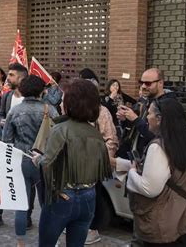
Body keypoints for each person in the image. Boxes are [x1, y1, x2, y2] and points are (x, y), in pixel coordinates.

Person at [32, 79, 112, 247]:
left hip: (63, 197)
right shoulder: (95, 134)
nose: (61, 101)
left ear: (71, 102)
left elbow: (47, 164)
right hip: (89, 198)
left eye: (64, 98)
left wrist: (38, 159)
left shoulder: (60, 129)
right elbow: (101, 170)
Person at [124, 98, 186, 246]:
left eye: (149, 113)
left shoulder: (158, 147)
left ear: (159, 119)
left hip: (165, 224)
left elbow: (149, 188)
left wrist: (132, 172)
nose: (146, 118)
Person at [2, 75, 59, 247]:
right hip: (44, 160)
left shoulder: (15, 111)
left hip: (22, 159)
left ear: (22, 90)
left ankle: (20, 241)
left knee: (21, 203)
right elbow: (58, 137)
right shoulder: (51, 110)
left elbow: (7, 140)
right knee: (46, 204)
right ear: (42, 90)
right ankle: (50, 240)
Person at [78, 68, 118, 245]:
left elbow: (111, 139)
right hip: (77, 162)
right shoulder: (75, 109)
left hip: (95, 162)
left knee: (93, 194)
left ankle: (92, 228)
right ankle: (79, 224)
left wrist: (106, 161)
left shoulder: (102, 112)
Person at [0, 62, 28, 230]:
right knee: (3, 181)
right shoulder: (7, 96)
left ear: (21, 78)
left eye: (11, 75)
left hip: (26, 148)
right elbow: (1, 115)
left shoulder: (32, 98)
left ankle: (26, 216)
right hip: (8, 146)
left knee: (26, 184)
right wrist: (2, 120)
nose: (8, 77)